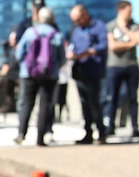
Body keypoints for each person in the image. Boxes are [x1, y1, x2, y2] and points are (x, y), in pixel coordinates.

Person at [13, 7, 64, 146]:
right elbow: (62, 59)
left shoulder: (30, 32)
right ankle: (41, 137)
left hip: (28, 73)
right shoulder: (56, 35)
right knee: (45, 105)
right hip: (49, 74)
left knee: (27, 103)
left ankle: (21, 133)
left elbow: (19, 54)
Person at [67, 4, 108, 145]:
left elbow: (104, 45)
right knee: (84, 104)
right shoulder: (76, 30)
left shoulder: (99, 26)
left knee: (94, 103)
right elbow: (73, 45)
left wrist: (90, 51)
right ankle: (88, 133)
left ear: (84, 15)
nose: (76, 23)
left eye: (78, 19)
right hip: (80, 71)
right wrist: (71, 53)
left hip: (93, 70)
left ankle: (101, 133)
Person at [104, 0, 139, 138]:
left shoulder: (135, 25)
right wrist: (130, 43)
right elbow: (112, 46)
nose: (130, 14)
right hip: (115, 66)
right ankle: (110, 126)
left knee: (133, 97)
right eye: (128, 11)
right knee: (113, 97)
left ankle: (135, 127)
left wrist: (126, 30)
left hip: (132, 65)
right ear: (120, 10)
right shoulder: (111, 26)